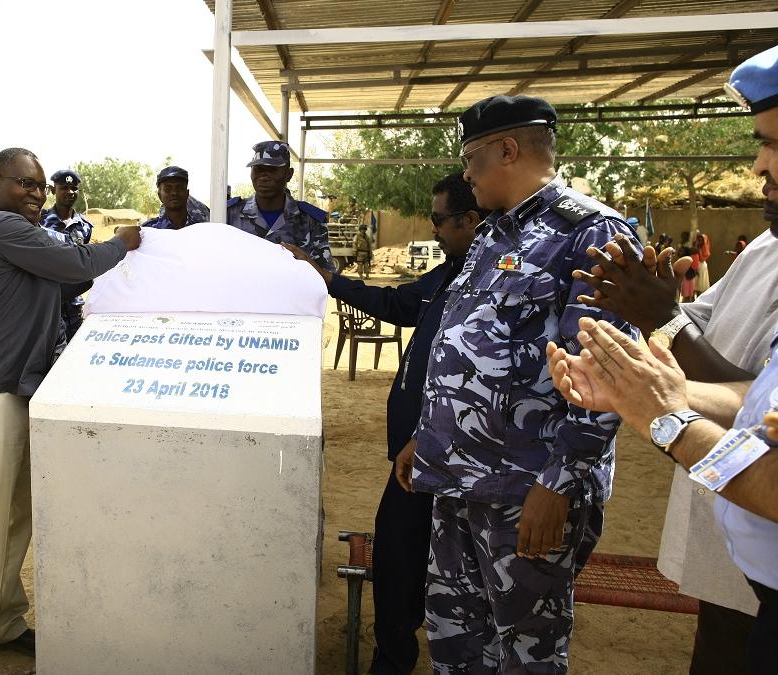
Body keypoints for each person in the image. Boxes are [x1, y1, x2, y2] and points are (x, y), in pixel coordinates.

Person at [563, 33, 778, 674]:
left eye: (771, 142)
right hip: (745, 545)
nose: (758, 167)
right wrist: (639, 379)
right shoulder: (768, 249)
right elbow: (762, 394)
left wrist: (670, 418)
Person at [413, 95, 637, 673]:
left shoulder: (591, 233)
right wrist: (428, 434)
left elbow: (603, 376)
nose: (466, 174)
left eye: (472, 158)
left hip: (527, 490)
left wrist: (559, 484)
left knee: (527, 652)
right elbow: (467, 343)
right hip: (460, 480)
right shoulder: (495, 235)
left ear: (508, 150)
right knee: (457, 644)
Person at [0, 148, 141, 675]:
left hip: (17, 393)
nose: (35, 194)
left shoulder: (21, 237)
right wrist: (123, 242)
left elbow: (70, 280)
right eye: (24, 183)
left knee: (14, 521)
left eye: (40, 187)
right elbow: (77, 264)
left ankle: (3, 623)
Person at [288, 172, 485, 674]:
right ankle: (393, 659)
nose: (433, 228)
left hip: (456, 457)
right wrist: (330, 280)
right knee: (397, 557)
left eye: (439, 219)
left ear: (470, 220)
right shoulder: (449, 272)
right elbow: (398, 304)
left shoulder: (492, 281)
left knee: (449, 568)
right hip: (414, 457)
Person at [227, 140, 334, 271]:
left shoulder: (310, 220)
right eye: (258, 169)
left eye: (271, 169)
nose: (263, 176)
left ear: (289, 174)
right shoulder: (229, 214)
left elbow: (324, 275)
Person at [41, 169, 94, 341]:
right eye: (64, 188)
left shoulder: (85, 226)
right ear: (53, 190)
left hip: (74, 308)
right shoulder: (39, 222)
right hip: (48, 306)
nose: (70, 192)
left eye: (74, 188)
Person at [141, 166, 210, 230]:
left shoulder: (203, 227)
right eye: (167, 189)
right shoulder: (148, 230)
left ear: (187, 193)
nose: (174, 193)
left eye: (179, 188)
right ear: (159, 195)